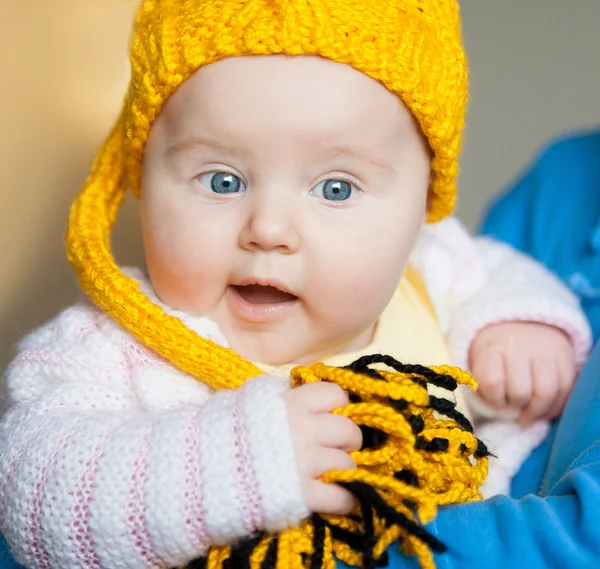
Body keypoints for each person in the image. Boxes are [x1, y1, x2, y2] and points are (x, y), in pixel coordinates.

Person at [0, 2, 591, 568]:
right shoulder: (114, 346)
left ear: (421, 209)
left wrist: (518, 323)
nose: (269, 229)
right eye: (223, 181)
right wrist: (230, 466)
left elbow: (494, 272)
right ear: (141, 182)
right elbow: (32, 489)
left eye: (336, 189)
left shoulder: (430, 273)